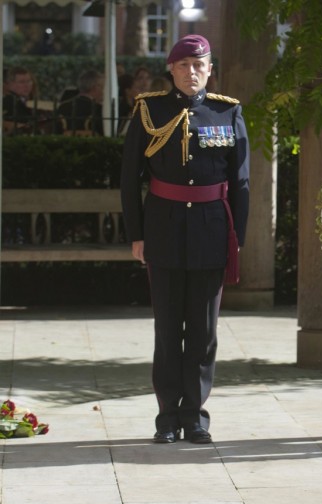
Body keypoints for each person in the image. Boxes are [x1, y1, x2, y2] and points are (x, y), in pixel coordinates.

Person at [120, 34, 250, 445]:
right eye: (183, 66)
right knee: (167, 327)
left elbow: (241, 182)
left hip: (212, 229)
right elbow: (129, 180)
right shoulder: (149, 109)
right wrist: (136, 234)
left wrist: (237, 237)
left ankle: (195, 416)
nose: (192, 72)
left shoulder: (227, 112)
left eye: (199, 65)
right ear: (171, 70)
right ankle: (166, 417)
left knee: (203, 329)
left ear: (211, 69)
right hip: (163, 228)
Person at [56, 69, 104, 136]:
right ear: (95, 87)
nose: (104, 91)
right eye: (103, 87)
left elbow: (56, 133)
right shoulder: (98, 109)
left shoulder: (63, 107)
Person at [3, 67, 36, 134]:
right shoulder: (9, 101)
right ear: (10, 84)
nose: (27, 85)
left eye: (29, 81)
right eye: (22, 82)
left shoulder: (26, 101)